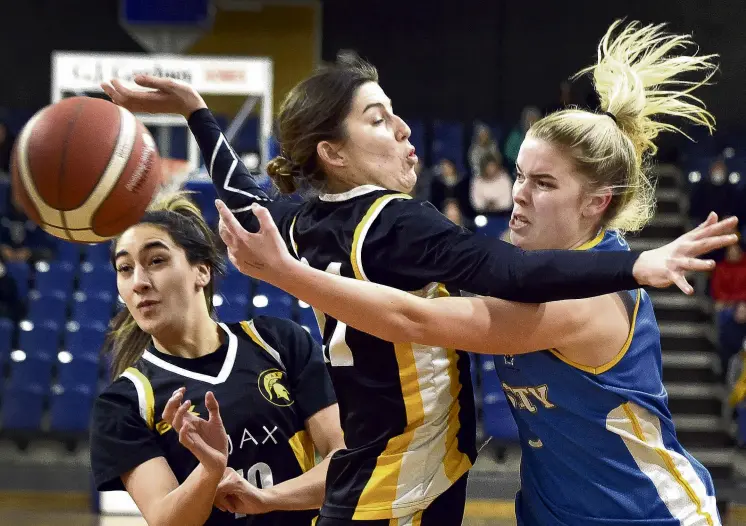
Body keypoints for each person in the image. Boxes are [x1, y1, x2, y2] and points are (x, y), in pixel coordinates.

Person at [103, 43, 728, 525]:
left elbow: (421, 319)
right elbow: (247, 204)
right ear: (333, 153)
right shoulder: (369, 223)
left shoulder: (584, 291)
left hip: (641, 511)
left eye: (543, 183)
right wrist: (195, 112)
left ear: (597, 202)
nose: (516, 194)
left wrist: (637, 265)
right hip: (473, 492)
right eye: (519, 175)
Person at [89, 192, 344, 526]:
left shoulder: (278, 342)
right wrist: (210, 469)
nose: (138, 282)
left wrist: (266, 500)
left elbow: (346, 459)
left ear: (202, 272)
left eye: (156, 261)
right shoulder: (124, 402)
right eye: (125, 268)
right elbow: (165, 521)